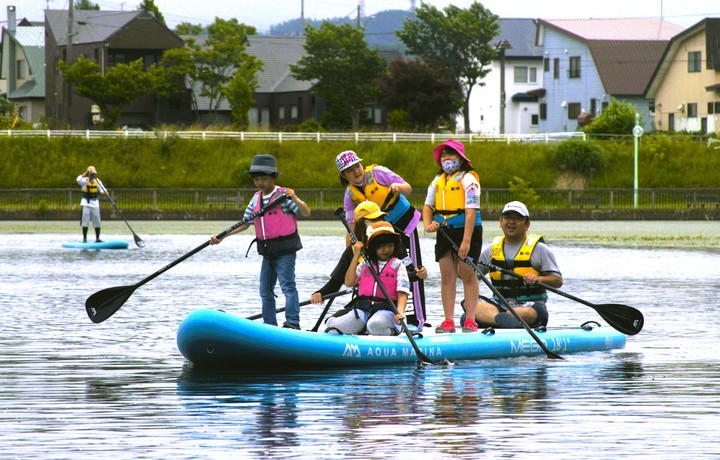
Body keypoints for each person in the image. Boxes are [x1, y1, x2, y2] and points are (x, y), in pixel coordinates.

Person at [209, 154, 311, 329]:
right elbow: (245, 223)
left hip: (285, 250)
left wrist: (294, 198)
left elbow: (306, 212)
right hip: (267, 251)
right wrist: (221, 237)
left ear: (273, 178)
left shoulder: (283, 195)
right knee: (265, 291)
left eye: (264, 179)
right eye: (257, 180)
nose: (260, 183)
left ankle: (293, 323)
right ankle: (269, 325)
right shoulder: (256, 199)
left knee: (288, 286)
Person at [335, 150, 426, 327]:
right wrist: (352, 253)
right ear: (344, 175)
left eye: (357, 166)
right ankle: (385, 316)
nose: (356, 172)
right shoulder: (350, 195)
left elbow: (408, 187)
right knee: (388, 272)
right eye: (350, 170)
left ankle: (417, 320)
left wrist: (398, 188)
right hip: (382, 234)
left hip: (404, 224)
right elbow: (352, 227)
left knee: (411, 270)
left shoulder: (378, 173)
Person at [310, 201, 427, 323]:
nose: (378, 222)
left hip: (387, 306)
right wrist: (320, 293)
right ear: (360, 224)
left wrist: (420, 273)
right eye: (373, 220)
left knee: (375, 323)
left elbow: (410, 272)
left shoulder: (392, 246)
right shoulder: (353, 250)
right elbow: (337, 281)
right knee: (330, 321)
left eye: (380, 218)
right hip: (363, 305)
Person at [468, 201, 563, 329]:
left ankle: (494, 320)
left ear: (527, 224)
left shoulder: (540, 249)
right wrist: (460, 257)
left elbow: (557, 281)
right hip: (498, 306)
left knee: (524, 312)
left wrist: (538, 279)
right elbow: (468, 277)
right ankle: (502, 320)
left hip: (530, 307)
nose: (512, 222)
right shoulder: (491, 251)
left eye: (518, 218)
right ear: (500, 221)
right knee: (469, 305)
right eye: (507, 217)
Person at [422, 139, 483, 333]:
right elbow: (427, 206)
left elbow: (471, 212)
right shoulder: (437, 180)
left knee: (467, 274)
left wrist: (466, 242)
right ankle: (448, 321)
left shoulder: (469, 179)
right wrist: (427, 224)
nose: (446, 158)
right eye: (443, 155)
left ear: (461, 158)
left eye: (451, 154)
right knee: (447, 276)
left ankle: (470, 320)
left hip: (467, 231)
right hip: (444, 232)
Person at [324, 221, 411, 336]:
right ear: (374, 247)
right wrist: (356, 256)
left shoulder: (398, 265)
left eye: (390, 246)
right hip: (362, 310)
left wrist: (400, 312)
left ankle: (394, 331)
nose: (386, 250)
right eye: (382, 246)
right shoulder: (365, 263)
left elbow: (402, 294)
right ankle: (359, 332)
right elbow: (349, 282)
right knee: (333, 325)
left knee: (374, 324)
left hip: (386, 311)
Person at [76, 166, 110, 243]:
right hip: (86, 204)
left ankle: (97, 238)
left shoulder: (97, 181)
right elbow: (78, 179)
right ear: (88, 174)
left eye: (94, 174)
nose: (92, 175)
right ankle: (84, 239)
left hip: (95, 204)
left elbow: (102, 190)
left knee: (97, 221)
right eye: (91, 174)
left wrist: (106, 192)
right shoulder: (84, 181)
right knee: (85, 221)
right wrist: (86, 172)